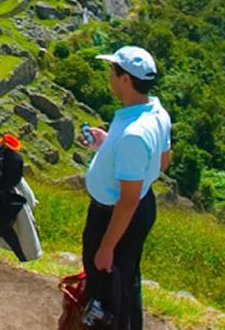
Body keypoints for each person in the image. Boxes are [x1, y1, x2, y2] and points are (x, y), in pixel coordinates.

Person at [81, 46, 172, 330]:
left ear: (125, 80)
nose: (109, 76)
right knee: (126, 280)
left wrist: (107, 246)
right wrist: (109, 144)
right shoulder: (155, 113)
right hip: (139, 207)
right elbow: (162, 162)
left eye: (113, 71)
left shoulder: (134, 134)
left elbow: (128, 200)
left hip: (116, 216)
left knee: (107, 286)